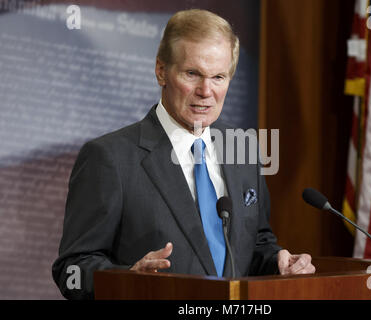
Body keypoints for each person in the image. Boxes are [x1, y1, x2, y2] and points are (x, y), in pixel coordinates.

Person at [52, 9, 315, 300]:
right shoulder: (109, 158)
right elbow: (72, 269)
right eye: (192, 74)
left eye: (218, 77)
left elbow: (255, 244)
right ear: (161, 71)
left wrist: (280, 263)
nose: (206, 91)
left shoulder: (244, 150)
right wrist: (126, 281)